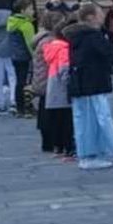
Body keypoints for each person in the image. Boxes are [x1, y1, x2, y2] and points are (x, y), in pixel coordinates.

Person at [63, 2, 113, 170]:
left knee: (83, 120)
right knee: (97, 119)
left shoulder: (76, 36)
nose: (103, 16)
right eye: (100, 13)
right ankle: (92, 154)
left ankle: (87, 154)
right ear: (91, 17)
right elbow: (109, 53)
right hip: (93, 82)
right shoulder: (92, 36)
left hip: (80, 83)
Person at [33, 9, 76, 159]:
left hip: (46, 80)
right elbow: (62, 67)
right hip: (51, 81)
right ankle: (59, 144)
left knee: (49, 114)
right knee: (57, 117)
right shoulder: (54, 43)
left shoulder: (43, 40)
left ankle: (52, 144)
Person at [7, 0, 37, 118]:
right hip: (25, 57)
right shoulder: (26, 24)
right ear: (23, 10)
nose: (33, 11)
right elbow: (31, 43)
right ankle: (27, 107)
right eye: (30, 9)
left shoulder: (11, 22)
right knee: (25, 82)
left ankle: (19, 107)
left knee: (19, 82)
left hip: (14, 56)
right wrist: (35, 57)